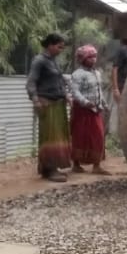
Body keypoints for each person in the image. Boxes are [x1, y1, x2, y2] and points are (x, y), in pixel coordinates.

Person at [27, 33, 71, 183]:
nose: (61, 50)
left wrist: (66, 95)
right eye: (59, 47)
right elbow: (31, 82)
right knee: (49, 137)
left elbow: (59, 80)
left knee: (57, 136)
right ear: (50, 45)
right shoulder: (39, 61)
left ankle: (51, 168)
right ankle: (50, 169)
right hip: (47, 103)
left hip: (57, 103)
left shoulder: (53, 61)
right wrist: (35, 101)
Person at [69, 44, 108, 175]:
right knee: (79, 136)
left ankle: (96, 165)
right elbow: (75, 92)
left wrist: (103, 102)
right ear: (83, 59)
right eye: (90, 57)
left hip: (95, 110)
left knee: (98, 135)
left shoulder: (97, 73)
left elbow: (99, 90)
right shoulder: (77, 74)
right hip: (82, 111)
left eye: (94, 57)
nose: (93, 60)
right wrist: (85, 102)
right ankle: (76, 164)